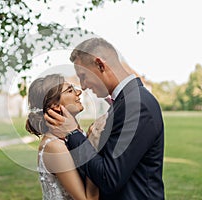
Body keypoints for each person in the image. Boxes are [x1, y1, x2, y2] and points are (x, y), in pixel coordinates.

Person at [44, 38, 165, 200]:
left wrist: (73, 134)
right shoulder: (125, 102)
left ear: (100, 65)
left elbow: (109, 178)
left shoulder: (137, 105)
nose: (83, 86)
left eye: (83, 76)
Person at [25, 74, 99, 200]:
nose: (79, 92)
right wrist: (94, 148)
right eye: (70, 90)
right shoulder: (55, 147)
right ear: (55, 105)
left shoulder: (75, 135)